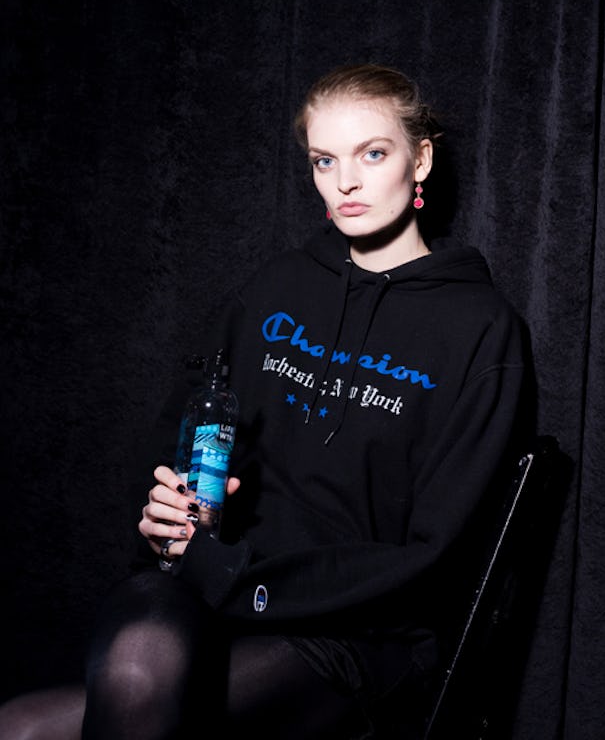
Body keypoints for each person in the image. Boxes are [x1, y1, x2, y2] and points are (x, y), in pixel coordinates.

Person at [0, 63, 525, 739]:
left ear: (419, 160)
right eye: (323, 160)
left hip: (348, 631)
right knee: (22, 723)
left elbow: (436, 555)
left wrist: (244, 577)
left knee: (110, 696)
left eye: (373, 153)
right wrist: (170, 508)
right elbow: (187, 429)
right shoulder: (277, 286)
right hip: (211, 583)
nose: (346, 182)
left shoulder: (480, 328)